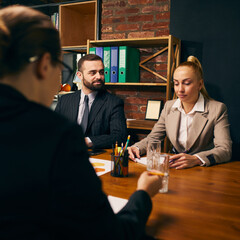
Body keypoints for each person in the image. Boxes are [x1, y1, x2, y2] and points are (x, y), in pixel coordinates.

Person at [0, 5, 163, 240]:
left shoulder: (109, 103)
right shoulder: (55, 134)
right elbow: (112, 234)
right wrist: (143, 195)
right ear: (44, 65)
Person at [128, 56, 232, 169]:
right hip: (175, 168)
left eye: (186, 83)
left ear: (200, 84)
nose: (180, 90)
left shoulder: (217, 109)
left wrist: (196, 159)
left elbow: (225, 150)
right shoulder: (169, 106)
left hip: (203, 169)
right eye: (176, 83)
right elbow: (153, 138)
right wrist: (137, 148)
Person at [55, 54, 127, 149]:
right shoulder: (65, 100)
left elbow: (119, 137)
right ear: (79, 75)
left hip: (97, 157)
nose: (99, 77)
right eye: (93, 73)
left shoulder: (114, 103)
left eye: (101, 72)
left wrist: (87, 141)